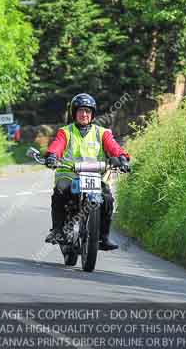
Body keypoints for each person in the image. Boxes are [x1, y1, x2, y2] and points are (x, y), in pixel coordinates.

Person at [43, 93, 130, 251]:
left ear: (92, 114)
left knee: (108, 199)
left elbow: (114, 147)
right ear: (74, 112)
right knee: (61, 190)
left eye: (87, 111)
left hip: (94, 176)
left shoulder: (102, 133)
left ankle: (103, 237)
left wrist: (122, 158)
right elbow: (57, 145)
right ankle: (57, 230)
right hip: (68, 173)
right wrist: (52, 156)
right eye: (81, 111)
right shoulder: (66, 132)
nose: (84, 114)